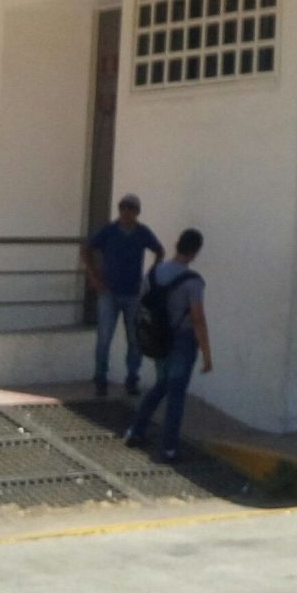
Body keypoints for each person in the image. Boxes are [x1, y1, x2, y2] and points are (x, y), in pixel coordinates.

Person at [124, 228, 213, 461]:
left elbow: (141, 302)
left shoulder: (154, 273)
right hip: (182, 341)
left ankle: (136, 429)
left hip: (157, 339)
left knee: (161, 384)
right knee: (176, 394)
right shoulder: (193, 282)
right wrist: (206, 354)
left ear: (176, 244)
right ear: (195, 252)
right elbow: (197, 318)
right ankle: (168, 448)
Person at [80, 194, 164, 397]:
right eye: (123, 208)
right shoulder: (108, 231)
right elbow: (86, 250)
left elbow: (159, 251)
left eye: (130, 208)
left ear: (137, 212)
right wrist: (94, 276)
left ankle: (132, 378)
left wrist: (149, 277)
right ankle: (100, 378)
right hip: (109, 292)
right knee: (104, 338)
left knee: (135, 339)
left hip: (133, 293)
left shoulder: (142, 232)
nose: (126, 212)